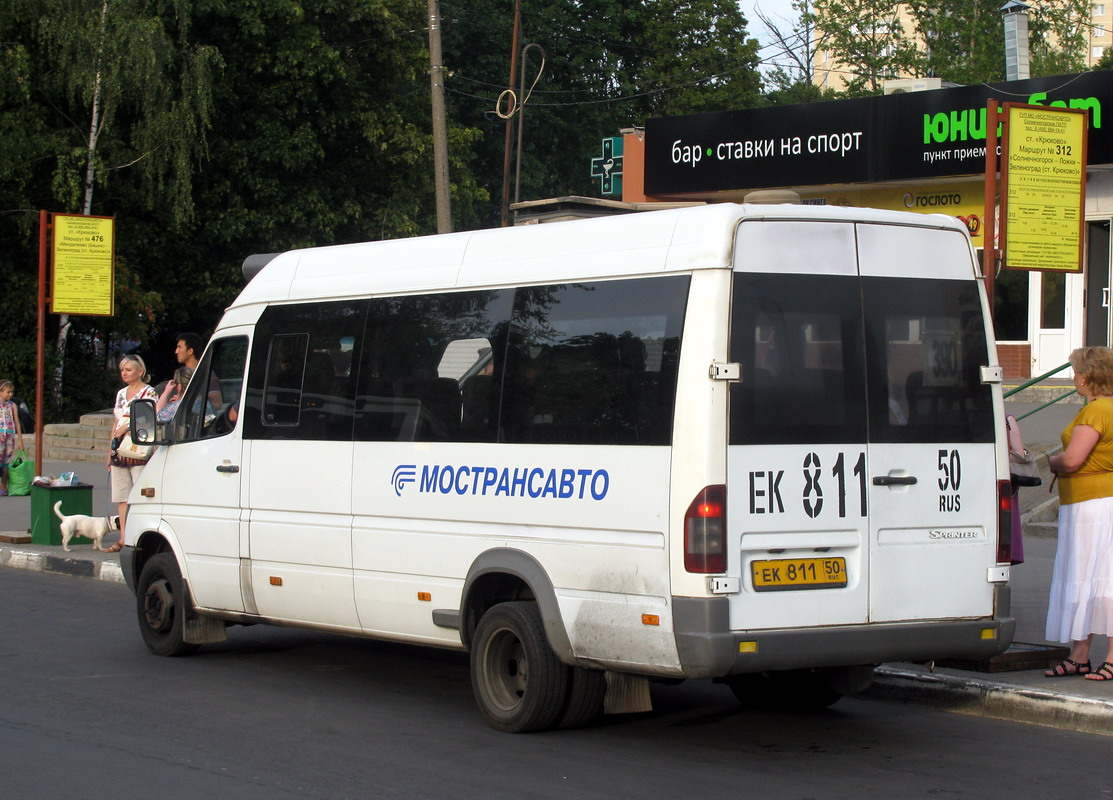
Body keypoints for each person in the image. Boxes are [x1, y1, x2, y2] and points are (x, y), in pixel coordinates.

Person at [1044, 346, 1113, 681]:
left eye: (1075, 372)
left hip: (1092, 505)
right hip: (1096, 501)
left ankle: (1087, 655)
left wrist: (1049, 461)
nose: (1074, 377)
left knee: (1094, 576)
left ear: (1086, 377)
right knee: (1094, 575)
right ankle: (1082, 656)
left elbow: (1072, 460)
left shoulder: (1097, 411)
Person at [104, 354, 158, 551]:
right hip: (120, 449)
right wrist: (109, 450)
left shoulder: (149, 393)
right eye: (122, 370)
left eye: (128, 370)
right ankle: (123, 538)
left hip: (138, 448)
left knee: (140, 495)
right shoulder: (121, 393)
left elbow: (149, 418)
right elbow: (115, 422)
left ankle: (140, 537)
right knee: (122, 496)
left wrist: (126, 430)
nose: (124, 374)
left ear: (140, 371)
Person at [0, 380, 25, 496]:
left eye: (11, 392)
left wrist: (20, 439)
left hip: (10, 436)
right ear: (0, 392)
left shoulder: (12, 405)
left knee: (6, 461)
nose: (10, 394)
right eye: (7, 392)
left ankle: (3, 487)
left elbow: (17, 422)